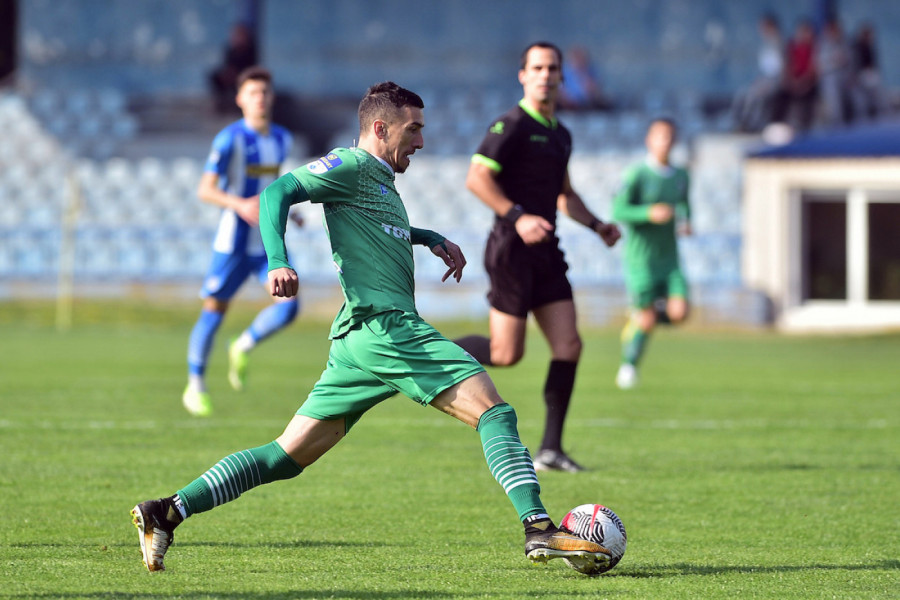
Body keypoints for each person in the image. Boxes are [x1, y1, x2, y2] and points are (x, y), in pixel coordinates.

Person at [131, 81, 611, 575]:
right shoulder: (352, 165)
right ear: (381, 128)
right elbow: (278, 190)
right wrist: (279, 260)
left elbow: (379, 230)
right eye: (414, 130)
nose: (421, 142)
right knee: (495, 413)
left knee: (284, 457)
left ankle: (166, 511)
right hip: (388, 328)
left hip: (358, 342)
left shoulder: (379, 180)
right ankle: (538, 528)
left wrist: (426, 237)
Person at [453, 42, 621, 473]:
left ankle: (550, 450)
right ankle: (428, 352)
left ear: (562, 76)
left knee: (569, 344)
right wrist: (518, 216)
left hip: (547, 251)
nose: (546, 74)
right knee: (507, 354)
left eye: (553, 68)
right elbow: (476, 179)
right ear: (523, 75)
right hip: (511, 249)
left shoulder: (561, 133)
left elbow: (565, 194)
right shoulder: (508, 125)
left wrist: (598, 225)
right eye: (538, 67)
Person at [182, 66, 301, 417]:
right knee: (214, 312)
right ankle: (195, 385)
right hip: (232, 244)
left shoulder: (282, 138)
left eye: (264, 92)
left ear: (272, 97)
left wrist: (288, 210)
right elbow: (205, 189)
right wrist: (239, 204)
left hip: (266, 243)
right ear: (240, 99)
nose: (260, 99)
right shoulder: (228, 139)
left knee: (289, 304)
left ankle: (243, 345)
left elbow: (274, 185)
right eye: (253, 93)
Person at [612, 118, 691, 390]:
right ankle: (628, 366)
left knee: (680, 313)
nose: (665, 142)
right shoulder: (637, 175)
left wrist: (687, 221)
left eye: (669, 137)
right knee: (646, 318)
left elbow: (684, 204)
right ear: (649, 139)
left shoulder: (681, 175)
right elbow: (618, 211)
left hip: (669, 260)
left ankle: (641, 317)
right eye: (660, 136)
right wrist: (648, 213)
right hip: (641, 260)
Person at [732, 13, 784, 132]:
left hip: (775, 81)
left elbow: (780, 69)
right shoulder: (765, 45)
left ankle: (754, 126)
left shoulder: (780, 44)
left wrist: (768, 82)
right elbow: (764, 68)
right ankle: (742, 123)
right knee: (742, 94)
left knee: (755, 97)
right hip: (764, 79)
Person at [209, 22, 259, 114]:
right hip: (231, 76)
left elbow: (251, 68)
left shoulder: (251, 51)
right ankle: (220, 103)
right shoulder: (230, 50)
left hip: (244, 76)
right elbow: (226, 65)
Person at [816, 17, 853, 127]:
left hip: (844, 78)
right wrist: (834, 61)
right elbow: (821, 65)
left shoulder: (844, 43)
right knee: (834, 100)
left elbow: (847, 60)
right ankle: (837, 124)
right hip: (830, 78)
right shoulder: (823, 45)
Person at [558, 45, 613, 112]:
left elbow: (596, 92)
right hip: (568, 105)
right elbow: (560, 92)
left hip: (586, 105)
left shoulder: (591, 72)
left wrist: (592, 89)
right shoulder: (563, 73)